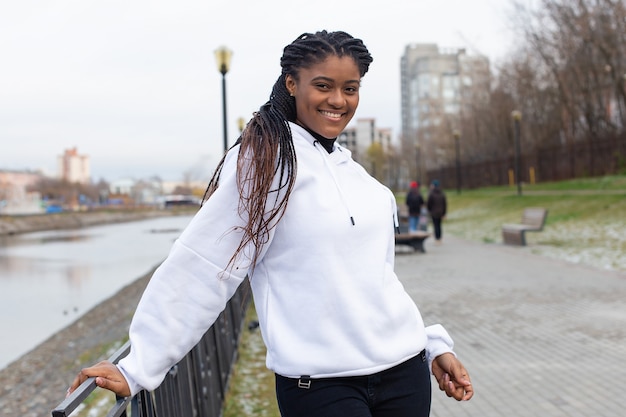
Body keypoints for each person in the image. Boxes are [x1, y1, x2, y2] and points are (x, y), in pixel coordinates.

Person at [68, 30, 472, 416]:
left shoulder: (358, 176)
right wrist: (138, 366)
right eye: (323, 85)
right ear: (292, 83)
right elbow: (206, 265)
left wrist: (431, 343)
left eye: (350, 89)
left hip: (404, 374)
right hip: (321, 387)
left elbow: (376, 281)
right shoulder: (266, 164)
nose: (339, 100)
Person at [427, 180, 447, 245]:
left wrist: (430, 210)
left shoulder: (431, 194)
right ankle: (439, 238)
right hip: (440, 212)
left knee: (435, 225)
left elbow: (429, 203)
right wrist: (444, 213)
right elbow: (444, 204)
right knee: (439, 225)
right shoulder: (442, 193)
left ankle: (437, 239)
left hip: (434, 212)